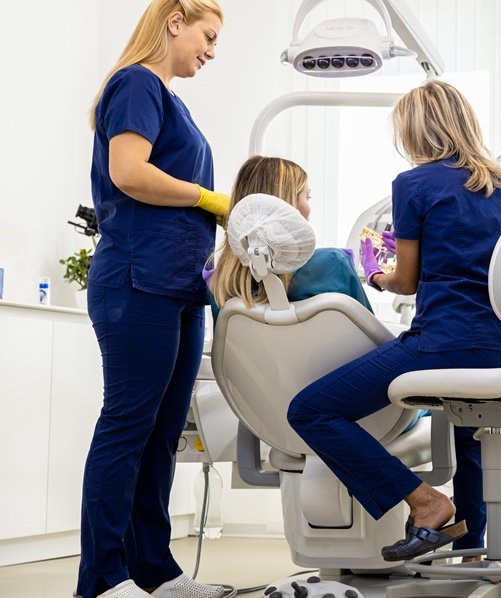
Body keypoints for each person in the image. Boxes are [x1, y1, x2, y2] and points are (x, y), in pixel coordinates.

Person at [287, 80, 501, 562]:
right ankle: (472, 553)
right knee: (471, 425)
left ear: (416, 131)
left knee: (311, 411)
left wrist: (376, 275)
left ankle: (425, 503)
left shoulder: (413, 184)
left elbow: (407, 281)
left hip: (446, 342)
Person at [78, 1, 228, 597]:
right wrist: (210, 199)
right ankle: (103, 578)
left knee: (165, 434)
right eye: (208, 36)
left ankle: (153, 570)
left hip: (179, 287)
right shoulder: (137, 83)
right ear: (175, 21)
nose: (212, 51)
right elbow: (129, 173)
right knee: (128, 427)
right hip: (137, 283)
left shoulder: (172, 101)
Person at [206, 155, 372, 315]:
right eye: (307, 197)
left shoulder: (221, 284)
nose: (309, 208)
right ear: (287, 204)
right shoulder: (334, 263)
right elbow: (373, 339)